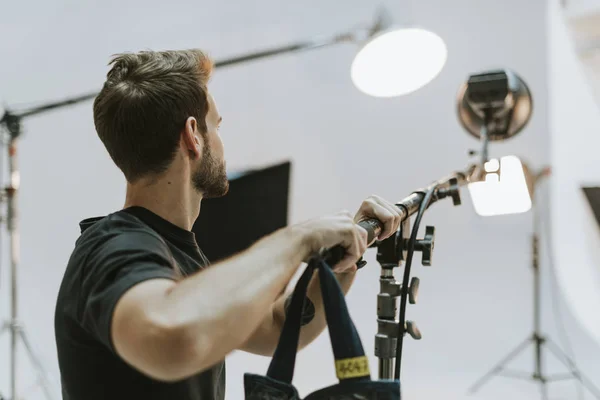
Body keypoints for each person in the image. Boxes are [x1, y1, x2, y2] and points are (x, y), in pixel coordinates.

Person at [54, 49, 403, 400]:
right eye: (216, 126)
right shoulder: (113, 246)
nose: (221, 142)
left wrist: (345, 255)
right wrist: (296, 239)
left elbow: (278, 327)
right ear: (193, 135)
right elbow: (171, 336)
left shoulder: (174, 257)